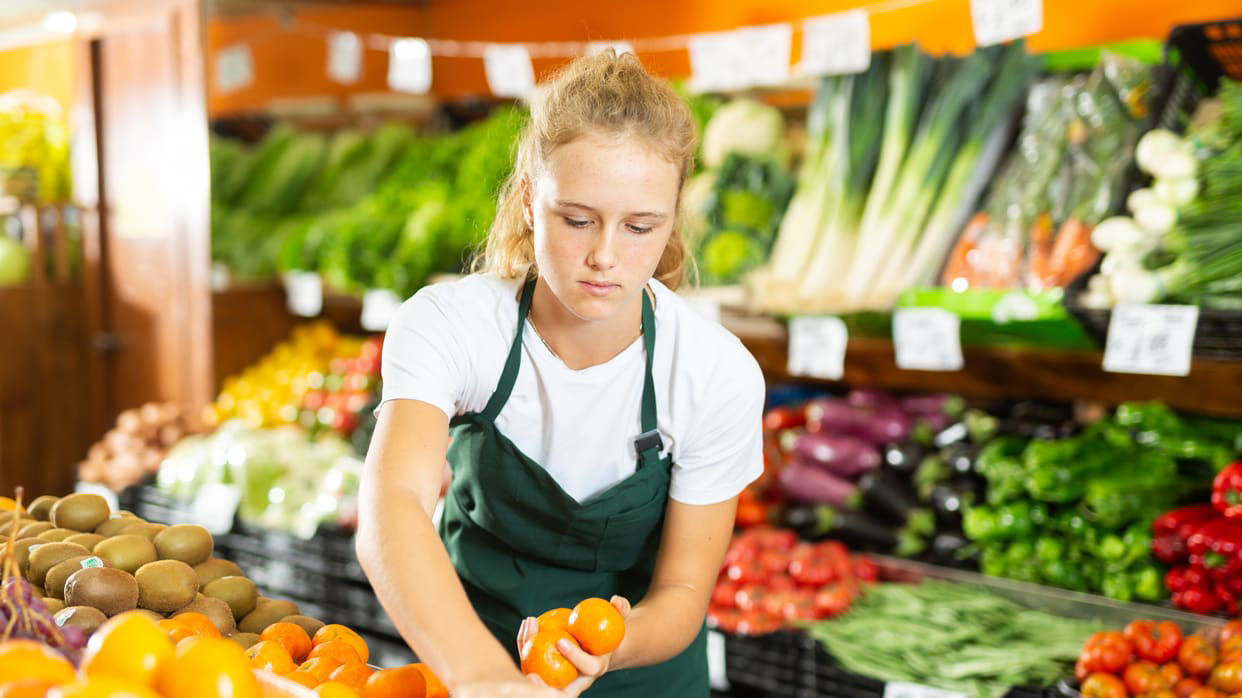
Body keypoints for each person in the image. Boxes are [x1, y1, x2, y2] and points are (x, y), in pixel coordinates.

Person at [357, 50, 765, 697]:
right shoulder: (451, 324)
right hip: (471, 652)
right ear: (528, 201)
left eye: (640, 226)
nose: (605, 256)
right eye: (577, 220)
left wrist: (607, 645)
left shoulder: (714, 373)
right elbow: (393, 503)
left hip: (640, 678)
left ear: (672, 218)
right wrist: (486, 678)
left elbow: (683, 593)